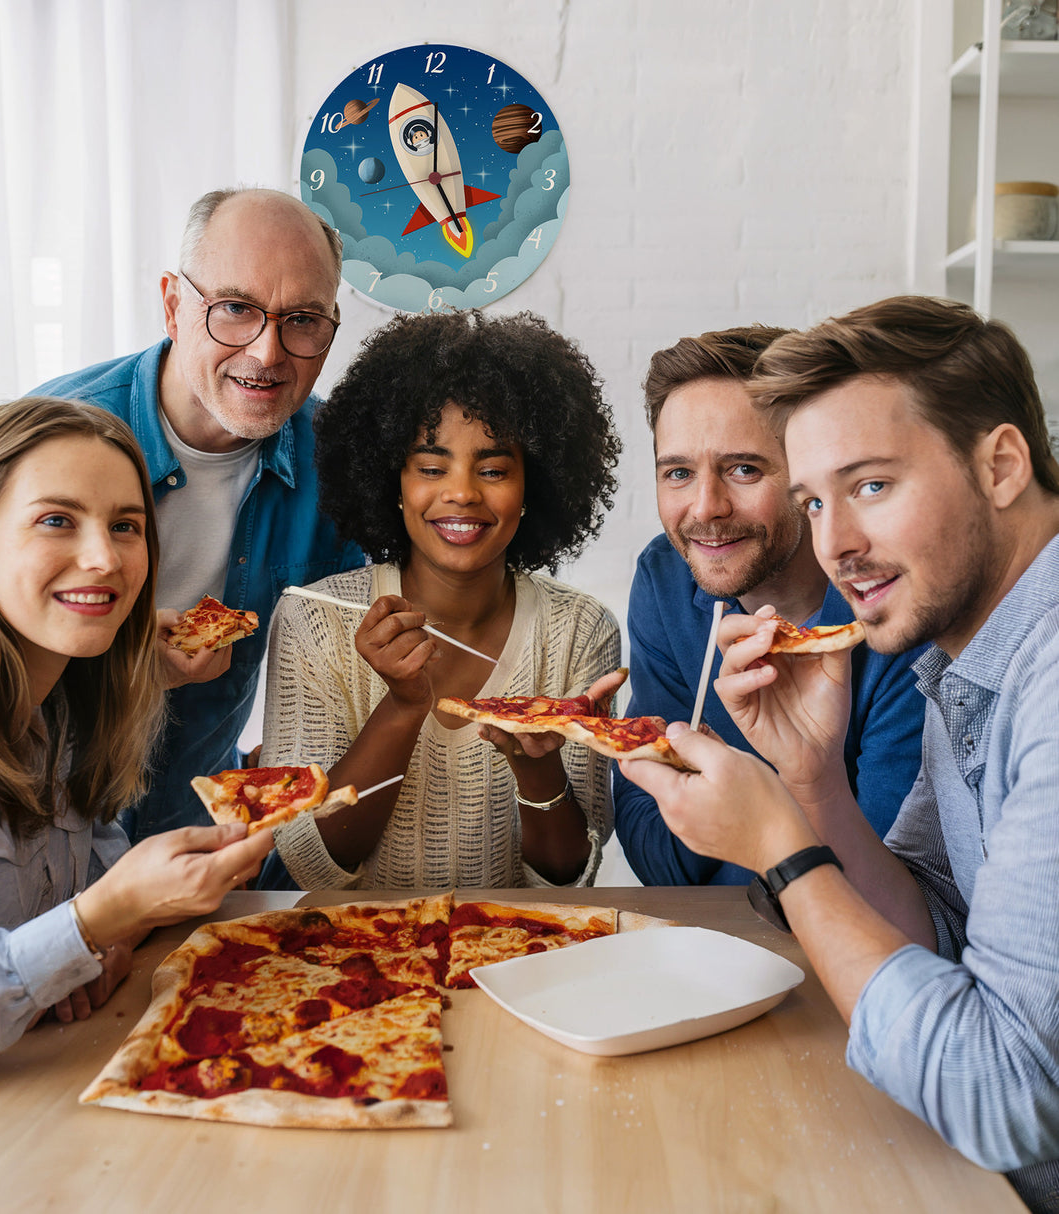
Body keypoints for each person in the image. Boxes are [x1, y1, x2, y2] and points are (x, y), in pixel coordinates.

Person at [621, 297, 1059, 1212]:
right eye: (816, 500)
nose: (836, 545)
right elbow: (933, 929)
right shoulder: (964, 648)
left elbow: (1004, 1097)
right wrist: (815, 783)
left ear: (1002, 465)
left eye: (869, 486)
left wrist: (786, 847)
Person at [0, 398, 273, 1137]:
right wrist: (98, 920)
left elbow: (86, 897)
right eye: (56, 520)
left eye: (125, 526)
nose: (105, 558)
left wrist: (98, 944)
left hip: (25, 1102)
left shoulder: (69, 694)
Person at [34, 188, 363, 843]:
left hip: (199, 844)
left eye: (302, 319)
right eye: (236, 309)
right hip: (36, 840)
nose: (268, 353)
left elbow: (344, 673)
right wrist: (125, 663)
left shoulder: (343, 466)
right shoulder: (46, 438)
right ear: (172, 304)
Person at [259, 310, 625, 890]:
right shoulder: (315, 618)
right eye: (431, 466)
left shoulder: (581, 629)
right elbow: (312, 864)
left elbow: (569, 878)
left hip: (519, 962)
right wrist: (403, 705)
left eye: (495, 469)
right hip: (353, 965)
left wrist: (537, 767)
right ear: (392, 482)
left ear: (535, 486)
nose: (461, 492)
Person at [613, 325, 925, 885]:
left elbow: (889, 882)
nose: (706, 508)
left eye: (744, 469)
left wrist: (734, 802)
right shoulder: (664, 577)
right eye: (679, 473)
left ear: (806, 478)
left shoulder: (894, 610)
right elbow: (652, 853)